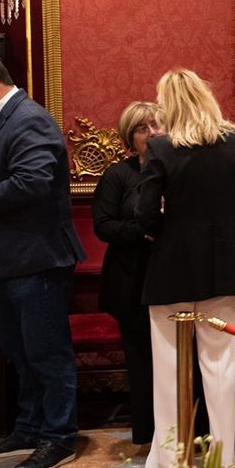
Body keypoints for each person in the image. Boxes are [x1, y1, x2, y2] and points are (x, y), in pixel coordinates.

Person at [0, 51, 85, 468]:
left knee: (46, 354)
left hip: (35, 259)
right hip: (4, 261)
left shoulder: (29, 118)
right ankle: (29, 428)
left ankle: (59, 437)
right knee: (21, 353)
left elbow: (35, 181)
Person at [137, 68, 235, 468]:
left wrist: (166, 230)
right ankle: (223, 467)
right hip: (224, 265)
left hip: (172, 268)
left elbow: (144, 213)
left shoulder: (161, 147)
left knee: (169, 370)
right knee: (220, 365)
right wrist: (226, 228)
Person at [92, 101, 163, 446]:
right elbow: (103, 226)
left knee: (182, 354)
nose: (151, 134)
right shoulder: (118, 175)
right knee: (141, 357)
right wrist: (142, 231)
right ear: (129, 137)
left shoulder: (177, 169)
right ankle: (148, 432)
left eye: (156, 125)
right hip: (130, 277)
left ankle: (197, 427)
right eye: (142, 128)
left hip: (172, 274)